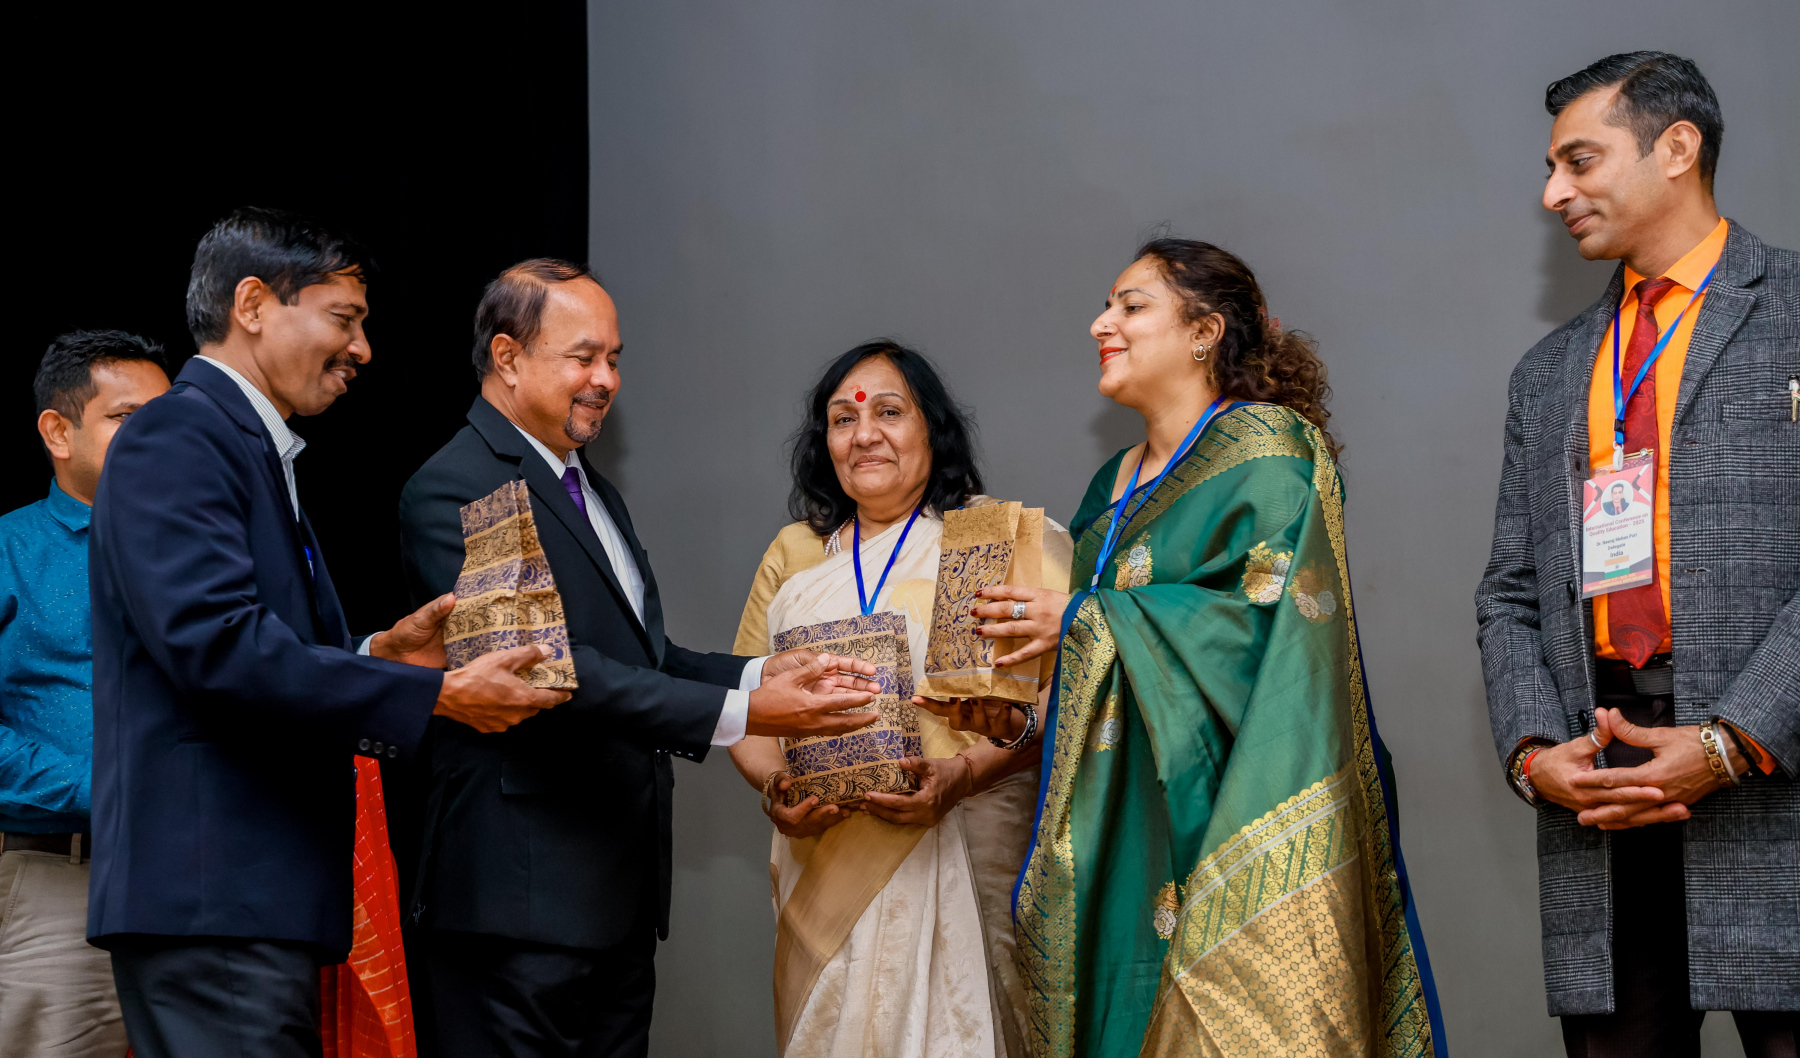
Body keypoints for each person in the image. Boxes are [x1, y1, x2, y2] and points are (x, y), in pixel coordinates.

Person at [88, 208, 568, 1058]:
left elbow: (248, 645)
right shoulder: (178, 432)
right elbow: (217, 649)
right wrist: (434, 693)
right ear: (252, 305)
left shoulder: (241, 444)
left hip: (247, 903)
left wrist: (377, 654)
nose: (363, 349)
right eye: (344, 319)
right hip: (214, 897)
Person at [960, 238, 1443, 1056]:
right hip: (1114, 827)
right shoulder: (1109, 484)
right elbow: (1090, 672)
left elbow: (1273, 628)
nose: (1101, 324)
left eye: (1130, 305)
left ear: (1204, 331)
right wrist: (1018, 719)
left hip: (1227, 812)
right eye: (1105, 307)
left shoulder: (1269, 449)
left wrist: (1084, 617)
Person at [396, 258, 880, 1058]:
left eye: (615, 359)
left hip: (610, 903)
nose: (606, 380)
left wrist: (760, 673)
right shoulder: (466, 484)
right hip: (518, 908)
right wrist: (747, 712)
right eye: (583, 357)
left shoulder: (588, 487)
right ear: (508, 357)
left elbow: (642, 657)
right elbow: (543, 669)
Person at [1476, 51, 1798, 1054]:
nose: (1552, 193)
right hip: (1602, 784)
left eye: (1579, 161)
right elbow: (1509, 596)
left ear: (1677, 147)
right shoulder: (1549, 371)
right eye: (1550, 167)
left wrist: (1735, 738)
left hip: (1777, 770)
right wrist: (1535, 752)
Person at [729, 340, 1070, 1058]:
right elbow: (746, 709)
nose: (865, 435)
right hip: (826, 858)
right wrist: (776, 787)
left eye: (889, 412)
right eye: (843, 419)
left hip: (970, 842)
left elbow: (1062, 699)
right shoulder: (796, 552)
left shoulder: (985, 538)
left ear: (932, 429)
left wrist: (963, 776)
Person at [1, 331, 169, 1057]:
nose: (160, 438)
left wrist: (372, 653)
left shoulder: (212, 550)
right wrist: (105, 786)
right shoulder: (9, 551)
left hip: (205, 882)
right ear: (58, 431)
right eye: (128, 418)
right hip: (64, 880)